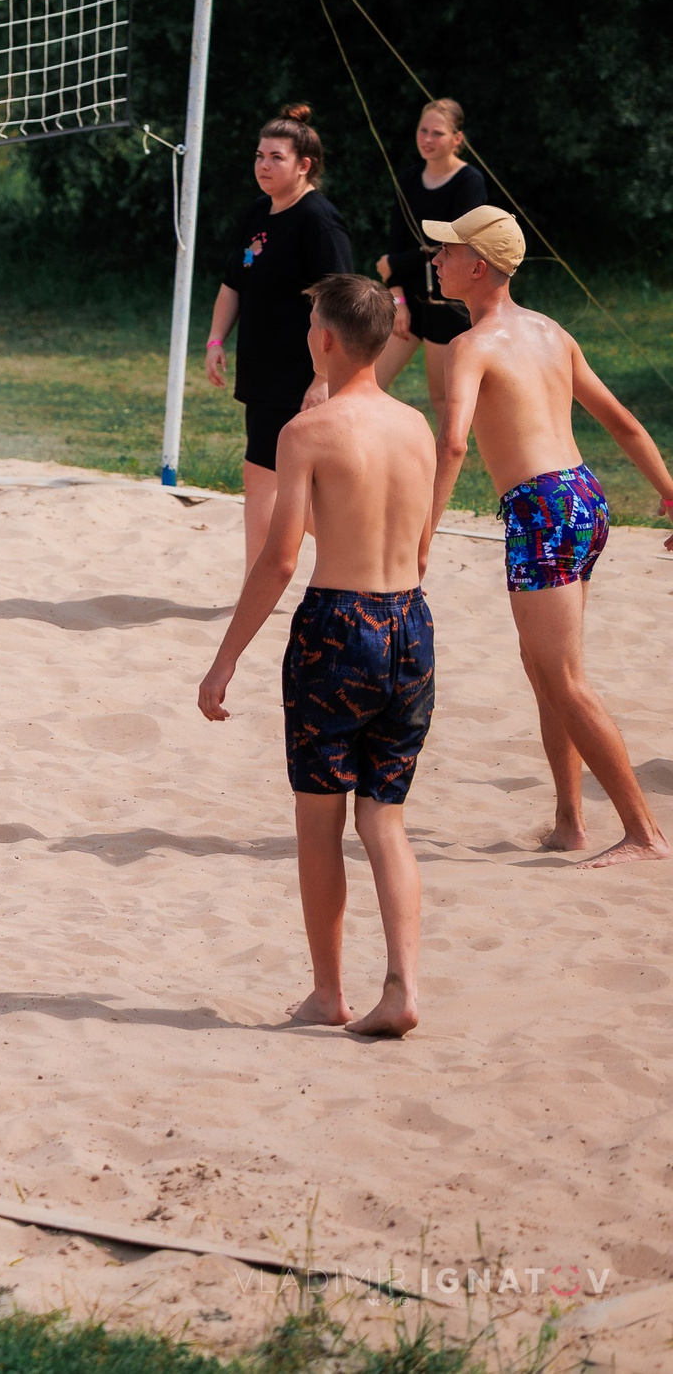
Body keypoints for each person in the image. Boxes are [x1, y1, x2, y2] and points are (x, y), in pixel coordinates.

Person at [198, 275, 436, 1038]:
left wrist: (224, 657)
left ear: (327, 338)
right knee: (385, 818)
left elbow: (277, 559)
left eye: (311, 322)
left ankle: (328, 992)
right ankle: (400, 984)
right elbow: (424, 546)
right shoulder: (417, 428)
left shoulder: (308, 432)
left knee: (319, 820)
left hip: (338, 626)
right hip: (410, 622)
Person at [428, 205, 673, 868]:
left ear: (478, 266)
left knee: (563, 678)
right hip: (582, 496)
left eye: (447, 251)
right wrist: (669, 490)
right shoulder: (549, 331)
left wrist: (422, 535)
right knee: (544, 669)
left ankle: (645, 832)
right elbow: (620, 421)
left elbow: (452, 444)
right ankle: (569, 819)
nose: (436, 258)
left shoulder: (470, 346)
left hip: (542, 507)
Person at [204, 105, 354, 569]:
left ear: (304, 164)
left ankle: (365, 560)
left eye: (276, 157)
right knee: (262, 477)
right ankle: (258, 578)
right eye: (259, 155)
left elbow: (340, 306)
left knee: (289, 483)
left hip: (301, 374)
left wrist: (323, 378)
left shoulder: (318, 222)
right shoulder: (259, 212)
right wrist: (214, 341)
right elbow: (234, 282)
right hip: (261, 370)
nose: (263, 166)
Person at [371, 97, 490, 421]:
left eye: (437, 133)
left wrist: (396, 264)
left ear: (457, 139)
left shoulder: (469, 182)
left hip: (447, 304)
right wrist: (397, 300)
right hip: (407, 303)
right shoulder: (409, 178)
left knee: (442, 399)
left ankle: (447, 465)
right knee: (367, 383)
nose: (427, 139)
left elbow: (455, 244)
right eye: (422, 130)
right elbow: (394, 244)